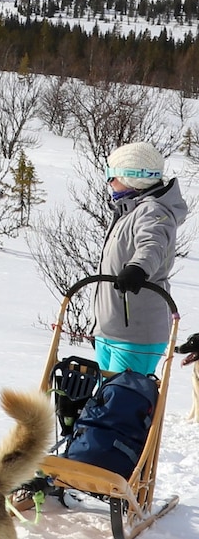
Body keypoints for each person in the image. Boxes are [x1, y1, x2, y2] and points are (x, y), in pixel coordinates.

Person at [94, 141, 185, 376]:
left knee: (123, 397)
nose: (109, 182)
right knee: (103, 396)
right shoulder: (129, 211)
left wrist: (138, 268)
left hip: (136, 335)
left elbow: (152, 245)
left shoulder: (153, 211)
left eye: (111, 175)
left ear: (133, 177)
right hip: (111, 329)